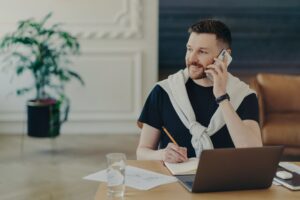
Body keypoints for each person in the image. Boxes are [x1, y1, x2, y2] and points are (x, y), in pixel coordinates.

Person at [136, 19, 262, 163]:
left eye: (202, 51)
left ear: (224, 57)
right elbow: (142, 152)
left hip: (226, 183)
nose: (191, 58)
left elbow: (253, 153)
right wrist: (162, 155)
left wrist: (222, 97)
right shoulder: (164, 91)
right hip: (173, 182)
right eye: (189, 49)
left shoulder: (244, 95)